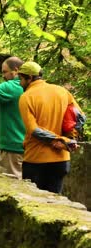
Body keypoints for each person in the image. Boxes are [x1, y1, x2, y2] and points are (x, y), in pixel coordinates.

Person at [17, 61, 85, 194]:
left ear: (29, 78)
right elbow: (80, 117)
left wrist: (58, 140)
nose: (20, 83)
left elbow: (34, 130)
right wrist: (67, 139)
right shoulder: (62, 91)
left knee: (34, 203)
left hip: (36, 160)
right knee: (54, 203)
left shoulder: (26, 97)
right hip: (61, 160)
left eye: (21, 79)